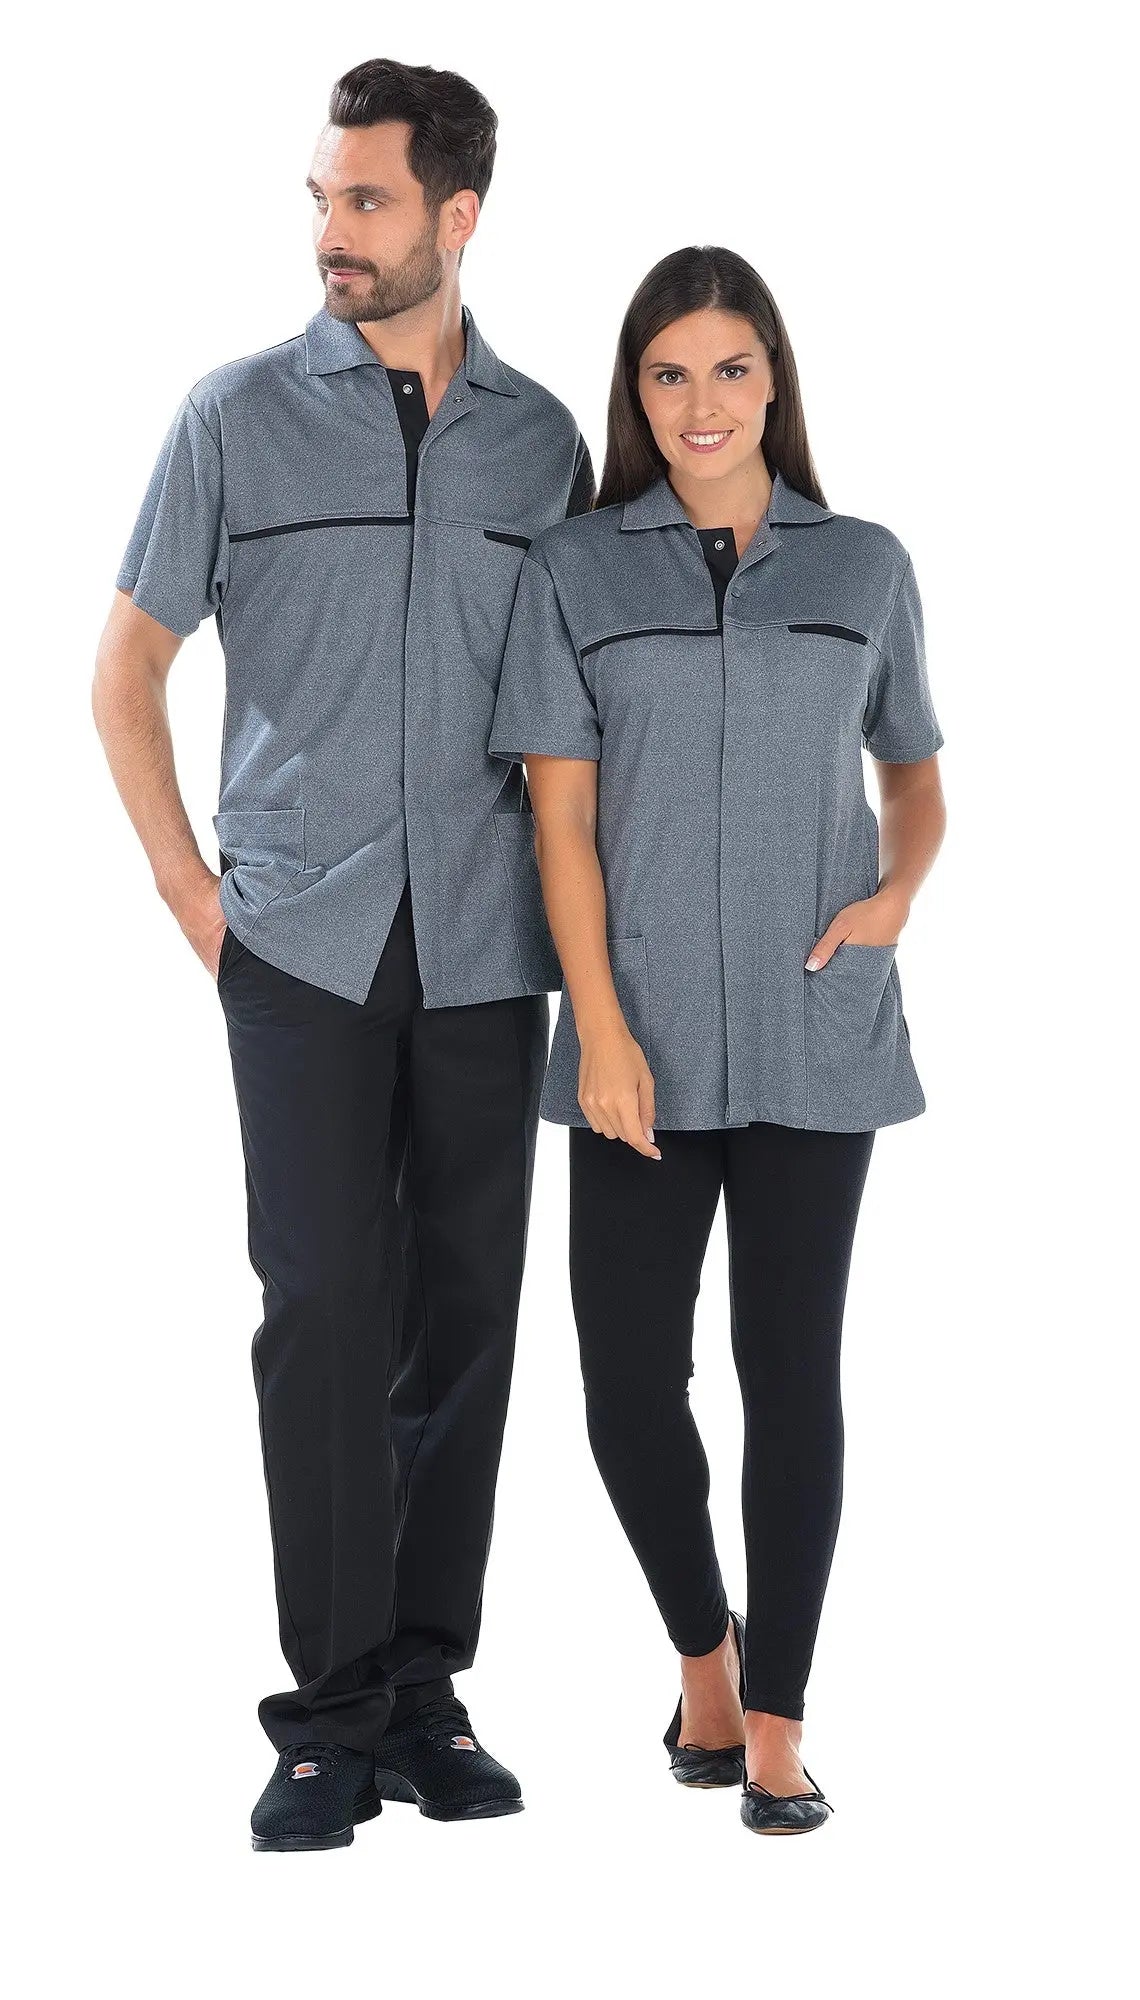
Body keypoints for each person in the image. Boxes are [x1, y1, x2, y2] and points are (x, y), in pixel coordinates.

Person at [92, 57, 594, 1852]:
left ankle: (424, 1695)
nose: (333, 231)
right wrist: (192, 895)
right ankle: (325, 1720)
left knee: (464, 1317)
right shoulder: (234, 417)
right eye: (322, 197)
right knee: (321, 1310)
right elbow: (126, 670)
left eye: (367, 200)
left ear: (459, 214)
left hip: (486, 941)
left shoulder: (542, 445)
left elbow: (579, 719)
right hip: (297, 934)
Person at [489, 245, 946, 1836]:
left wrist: (898, 895)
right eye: (670, 372)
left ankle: (777, 1722)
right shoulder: (575, 570)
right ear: (637, 391)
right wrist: (601, 1032)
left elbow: (916, 770)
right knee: (626, 1386)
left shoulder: (864, 566)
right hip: (644, 1042)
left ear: (774, 383)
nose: (702, 403)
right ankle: (703, 1653)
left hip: (821, 1034)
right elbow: (560, 828)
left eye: (731, 369)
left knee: (790, 1373)